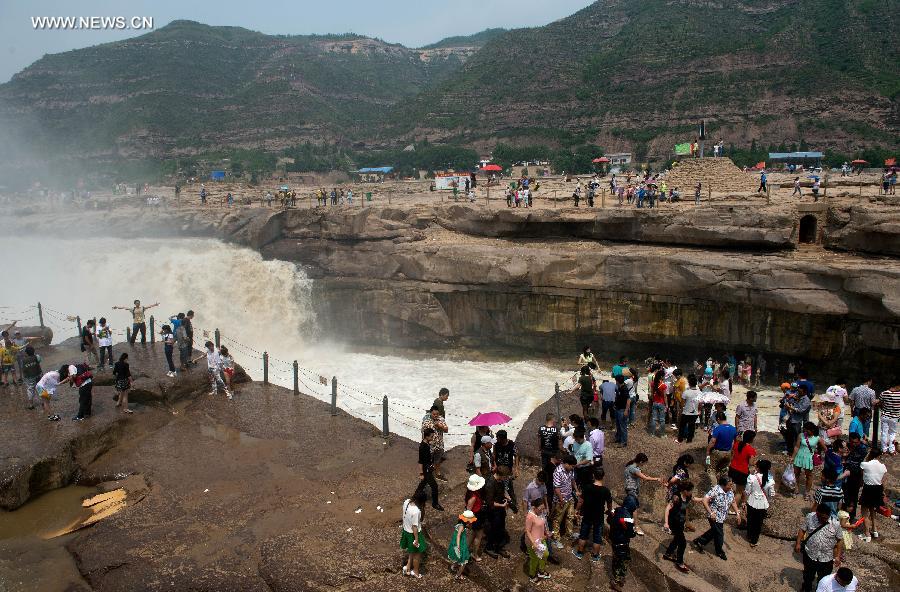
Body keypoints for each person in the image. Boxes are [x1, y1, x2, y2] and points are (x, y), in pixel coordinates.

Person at [796, 504, 845, 592]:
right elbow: (802, 530)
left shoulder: (836, 524)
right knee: (808, 576)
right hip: (810, 554)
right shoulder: (810, 517)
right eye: (821, 517)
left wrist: (837, 556)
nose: (823, 520)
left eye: (825, 518)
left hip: (826, 558)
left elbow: (840, 540)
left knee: (823, 579)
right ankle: (806, 588)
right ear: (817, 513)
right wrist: (798, 543)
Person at [693, 475, 740, 560]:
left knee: (714, 531)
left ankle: (699, 541)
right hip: (714, 516)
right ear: (723, 485)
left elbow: (732, 501)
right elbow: (704, 500)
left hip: (722, 516)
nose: (731, 486)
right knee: (719, 534)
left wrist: (737, 513)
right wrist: (711, 513)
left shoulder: (730, 491)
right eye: (729, 484)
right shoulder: (715, 490)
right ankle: (719, 551)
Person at [573, 466, 611, 562]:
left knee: (583, 534)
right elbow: (609, 503)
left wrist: (576, 510)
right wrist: (609, 511)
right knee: (597, 536)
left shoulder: (587, 487)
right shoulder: (606, 490)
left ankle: (579, 553)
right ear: (603, 476)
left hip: (587, 514)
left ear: (593, 476)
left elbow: (580, 501)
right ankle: (595, 556)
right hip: (599, 515)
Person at [663, 481, 700, 573]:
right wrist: (666, 523)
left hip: (680, 523)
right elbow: (667, 509)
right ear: (684, 490)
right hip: (673, 522)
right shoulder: (676, 497)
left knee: (677, 539)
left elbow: (695, 499)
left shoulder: (688, 496)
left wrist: (706, 499)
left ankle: (668, 554)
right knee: (682, 543)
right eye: (690, 491)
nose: (691, 492)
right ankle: (679, 562)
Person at [623, 453, 662, 536]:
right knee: (634, 508)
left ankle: (628, 523)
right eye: (644, 463)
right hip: (632, 489)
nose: (644, 465)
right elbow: (645, 478)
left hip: (630, 489)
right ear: (641, 462)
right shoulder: (633, 468)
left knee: (631, 507)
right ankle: (636, 526)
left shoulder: (632, 466)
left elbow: (643, 474)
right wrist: (657, 479)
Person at [608, 495, 638, 592]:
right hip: (622, 542)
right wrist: (634, 531)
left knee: (617, 559)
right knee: (622, 560)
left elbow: (609, 519)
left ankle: (619, 578)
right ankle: (616, 581)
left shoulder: (615, 510)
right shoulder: (628, 518)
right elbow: (631, 533)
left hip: (614, 538)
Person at [858, 448, 887, 542]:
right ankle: (875, 530)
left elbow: (862, 476)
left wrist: (867, 456)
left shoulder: (865, 464)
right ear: (879, 456)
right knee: (873, 509)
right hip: (878, 488)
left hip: (868, 489)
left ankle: (867, 534)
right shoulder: (883, 466)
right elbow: (883, 481)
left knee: (864, 512)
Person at [745, 459, 775, 546]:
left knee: (750, 520)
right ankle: (754, 541)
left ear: (758, 468)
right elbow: (771, 494)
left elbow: (747, 491)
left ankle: (749, 535)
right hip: (763, 504)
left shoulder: (752, 477)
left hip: (751, 501)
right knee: (758, 523)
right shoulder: (770, 480)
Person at [484, 465, 511, 558]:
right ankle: (489, 547)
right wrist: (502, 505)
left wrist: (507, 496)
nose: (506, 478)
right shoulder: (490, 483)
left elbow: (503, 491)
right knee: (493, 529)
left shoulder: (500, 481)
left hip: (500, 510)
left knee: (501, 528)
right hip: (493, 511)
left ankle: (499, 546)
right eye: (505, 476)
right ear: (501, 475)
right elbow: (490, 502)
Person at [793, 422, 826, 499]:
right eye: (805, 430)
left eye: (807, 430)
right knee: (796, 474)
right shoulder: (801, 435)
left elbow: (825, 448)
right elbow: (797, 447)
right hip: (799, 457)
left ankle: (807, 492)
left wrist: (819, 456)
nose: (806, 432)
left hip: (809, 458)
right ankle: (796, 490)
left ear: (812, 430)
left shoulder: (817, 438)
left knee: (809, 476)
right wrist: (792, 457)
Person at [550, 454, 578, 547]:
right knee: (557, 519)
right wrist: (561, 500)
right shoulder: (557, 472)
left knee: (570, 516)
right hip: (560, 500)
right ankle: (556, 538)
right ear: (566, 464)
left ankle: (569, 534)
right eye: (572, 466)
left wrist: (576, 490)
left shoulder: (571, 470)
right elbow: (556, 487)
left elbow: (572, 480)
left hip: (570, 497)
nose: (572, 468)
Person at [400, 490, 428, 578]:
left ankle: (408, 567)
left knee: (411, 550)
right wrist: (416, 539)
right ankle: (415, 572)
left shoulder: (406, 502)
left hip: (406, 530)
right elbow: (415, 527)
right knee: (418, 554)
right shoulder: (416, 511)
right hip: (413, 534)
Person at [664, 454, 694, 534]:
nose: (690, 465)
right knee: (676, 508)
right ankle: (672, 525)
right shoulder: (682, 471)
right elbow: (673, 479)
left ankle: (683, 524)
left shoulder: (677, 466)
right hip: (678, 491)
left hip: (676, 489)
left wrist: (669, 485)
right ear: (685, 462)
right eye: (689, 463)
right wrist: (669, 484)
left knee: (677, 508)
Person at [417, 427, 444, 511]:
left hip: (429, 467)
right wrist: (421, 473)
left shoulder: (427, 444)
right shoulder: (422, 447)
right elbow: (420, 461)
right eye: (431, 436)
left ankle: (415, 497)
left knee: (423, 483)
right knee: (434, 486)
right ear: (426, 436)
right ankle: (435, 503)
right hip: (426, 469)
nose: (432, 438)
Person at [525, 497, 551, 583]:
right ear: (534, 507)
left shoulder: (541, 513)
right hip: (533, 542)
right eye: (540, 509)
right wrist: (533, 543)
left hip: (541, 539)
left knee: (546, 554)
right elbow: (527, 531)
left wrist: (547, 532)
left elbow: (544, 523)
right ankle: (532, 575)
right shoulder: (530, 516)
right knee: (534, 559)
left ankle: (541, 571)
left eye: (543, 508)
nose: (542, 510)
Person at [538, 413, 561, 513]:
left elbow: (539, 440)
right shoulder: (556, 429)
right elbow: (559, 441)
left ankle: (544, 485)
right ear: (552, 419)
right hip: (553, 452)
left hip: (544, 452)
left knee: (545, 469)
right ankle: (553, 485)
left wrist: (540, 448)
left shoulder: (541, 428)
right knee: (554, 470)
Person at [728, 430, 757, 506]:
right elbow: (751, 463)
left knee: (736, 488)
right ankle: (732, 509)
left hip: (732, 468)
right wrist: (756, 463)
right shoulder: (750, 449)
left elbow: (732, 454)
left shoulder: (737, 444)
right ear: (752, 439)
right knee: (738, 492)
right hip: (742, 472)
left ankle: (743, 501)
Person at [422, 406, 449, 481]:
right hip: (430, 445)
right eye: (434, 414)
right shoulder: (426, 420)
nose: (435, 416)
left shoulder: (441, 419)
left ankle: (437, 474)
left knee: (438, 460)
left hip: (439, 444)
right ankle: (426, 475)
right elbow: (424, 432)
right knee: (427, 461)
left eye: (437, 414)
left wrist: (441, 426)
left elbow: (446, 430)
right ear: (430, 413)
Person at [493, 430, 518, 510]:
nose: (497, 439)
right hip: (499, 468)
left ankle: (512, 502)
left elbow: (516, 455)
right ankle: (502, 501)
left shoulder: (511, 444)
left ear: (502, 438)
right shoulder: (496, 445)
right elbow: (494, 455)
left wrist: (516, 468)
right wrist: (495, 465)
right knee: (499, 485)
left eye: (498, 438)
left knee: (508, 486)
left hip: (508, 468)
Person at [464, 473, 487, 561]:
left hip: (477, 516)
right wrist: (469, 523)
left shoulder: (472, 494)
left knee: (473, 534)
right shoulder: (473, 497)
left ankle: (466, 550)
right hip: (477, 517)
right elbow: (468, 511)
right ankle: (475, 554)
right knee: (478, 536)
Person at [447, 510, 476, 579]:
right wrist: (458, 546)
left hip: (456, 543)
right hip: (460, 544)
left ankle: (453, 566)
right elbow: (458, 536)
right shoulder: (462, 526)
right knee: (464, 561)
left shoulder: (459, 524)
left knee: (457, 556)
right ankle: (458, 575)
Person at [874, 384, 899, 454]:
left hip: (885, 416)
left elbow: (879, 403)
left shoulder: (884, 393)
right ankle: (891, 450)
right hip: (894, 417)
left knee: (884, 433)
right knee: (892, 433)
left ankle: (884, 449)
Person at [676, 374, 701, 443]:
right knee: (692, 427)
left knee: (682, 426)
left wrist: (681, 409)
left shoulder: (686, 392)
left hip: (686, 412)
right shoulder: (699, 392)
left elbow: (682, 403)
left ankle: (680, 439)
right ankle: (689, 440)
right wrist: (699, 410)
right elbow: (700, 403)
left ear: (689, 383)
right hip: (694, 412)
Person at [21, 345, 43, 410]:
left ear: (26, 353)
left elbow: (23, 369)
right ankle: (43, 402)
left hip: (29, 377)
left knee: (30, 389)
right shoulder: (37, 357)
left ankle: (31, 404)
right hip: (38, 375)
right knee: (39, 388)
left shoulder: (23, 360)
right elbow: (39, 361)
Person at [613, 374, 631, 446]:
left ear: (617, 381)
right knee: (618, 425)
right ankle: (619, 438)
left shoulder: (624, 388)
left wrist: (626, 410)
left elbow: (628, 400)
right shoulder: (619, 387)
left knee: (623, 426)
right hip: (618, 408)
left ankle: (624, 442)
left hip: (622, 410)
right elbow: (618, 398)